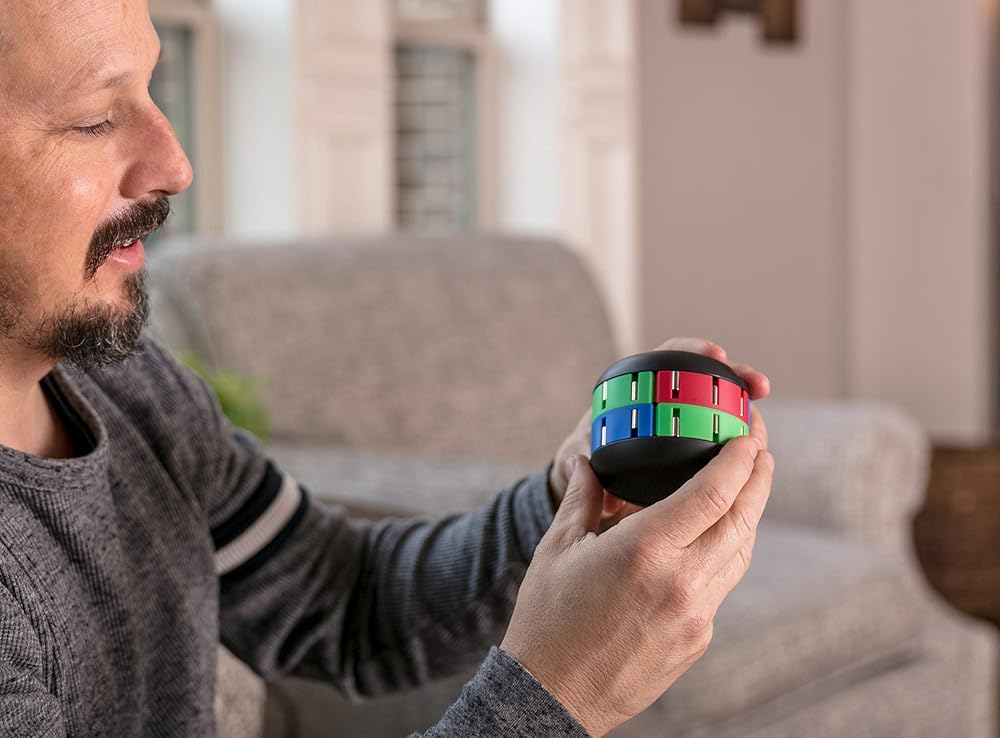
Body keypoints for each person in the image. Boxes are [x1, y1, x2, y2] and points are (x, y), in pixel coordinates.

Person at [0, 2, 774, 736]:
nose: (175, 165)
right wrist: (559, 695)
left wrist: (570, 492)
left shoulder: (133, 387)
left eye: (151, 89)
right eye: (94, 119)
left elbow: (344, 596)